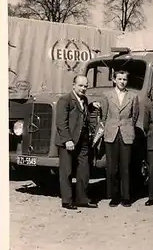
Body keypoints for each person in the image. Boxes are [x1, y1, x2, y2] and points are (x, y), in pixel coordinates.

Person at [55, 75, 98, 210]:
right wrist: (67, 139)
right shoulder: (65, 100)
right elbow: (61, 123)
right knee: (66, 171)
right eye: (80, 85)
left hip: (83, 141)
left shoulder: (84, 99)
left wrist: (91, 106)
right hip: (68, 141)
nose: (83, 88)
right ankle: (67, 201)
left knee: (84, 171)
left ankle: (82, 199)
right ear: (73, 85)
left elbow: (82, 114)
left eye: (85, 86)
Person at [99, 70, 140, 207]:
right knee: (111, 167)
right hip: (111, 134)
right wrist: (109, 128)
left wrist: (127, 127)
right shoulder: (107, 95)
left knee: (126, 166)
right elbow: (104, 116)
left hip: (126, 134)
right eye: (120, 79)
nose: (122, 81)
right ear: (114, 80)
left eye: (125, 79)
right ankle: (114, 196)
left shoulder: (133, 96)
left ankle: (126, 197)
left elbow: (134, 116)